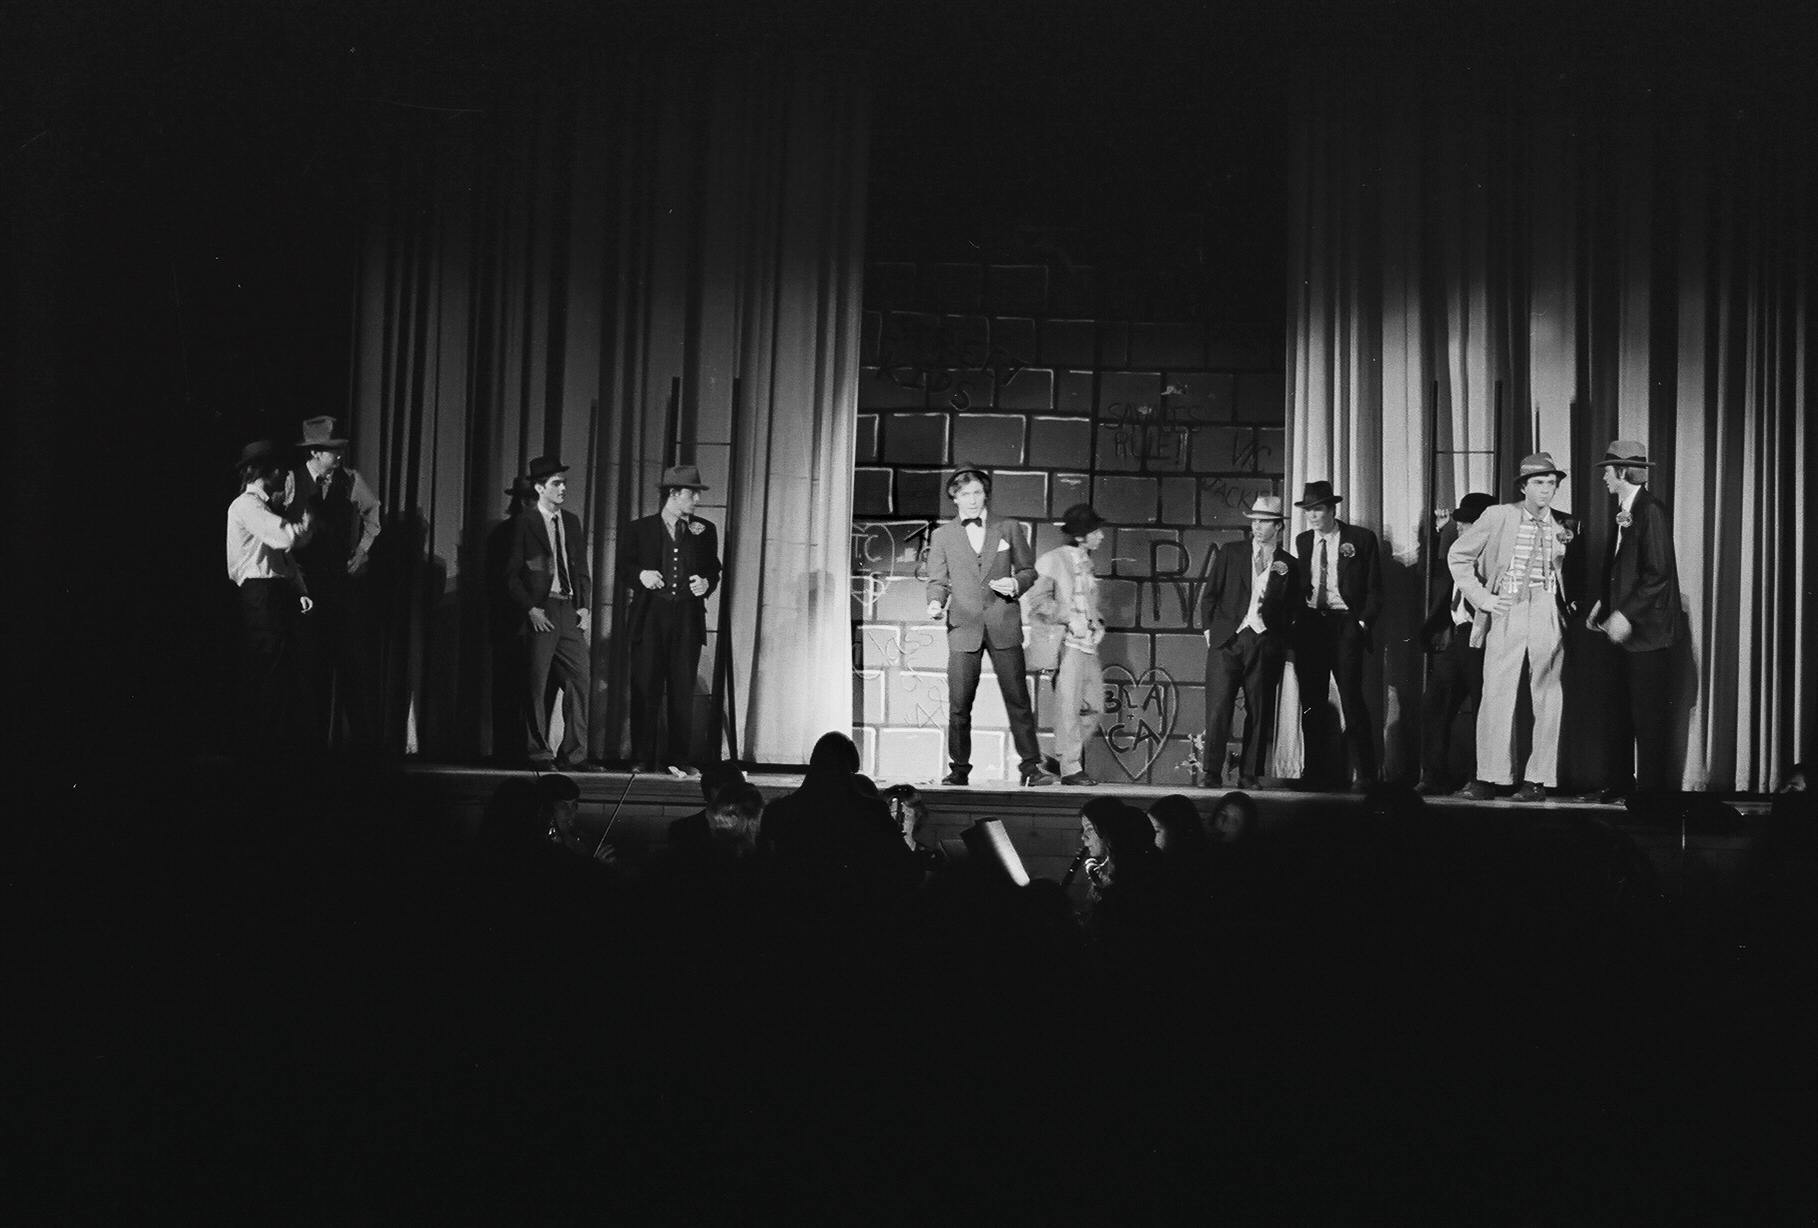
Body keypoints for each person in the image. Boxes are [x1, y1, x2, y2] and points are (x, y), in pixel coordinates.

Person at [1448, 455, 1584, 803]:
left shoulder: (1565, 523)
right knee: (1496, 692)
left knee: (1548, 695)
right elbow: (1458, 556)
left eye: (1551, 483)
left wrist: (1569, 606)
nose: (1546, 489)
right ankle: (1489, 777)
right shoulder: (1498, 515)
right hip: (1507, 605)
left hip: (1546, 607)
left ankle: (1537, 779)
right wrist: (1483, 598)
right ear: (1523, 486)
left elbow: (1575, 572)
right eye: (1538, 482)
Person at [923, 464, 1058, 787]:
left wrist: (1016, 583)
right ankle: (959, 768)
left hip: (1003, 622)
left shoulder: (1008, 528)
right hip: (964, 627)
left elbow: (1028, 570)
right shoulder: (942, 536)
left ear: (986, 495)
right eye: (965, 494)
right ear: (955, 498)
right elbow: (937, 580)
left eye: (977, 493)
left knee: (1018, 700)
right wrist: (935, 603)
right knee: (959, 704)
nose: (972, 500)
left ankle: (1030, 767)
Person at [1586, 440, 1683, 801]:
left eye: (1608, 472)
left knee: (1648, 717)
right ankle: (1620, 783)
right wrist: (1604, 604)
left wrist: (1624, 614)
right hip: (1621, 630)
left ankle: (1652, 794)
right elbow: (1621, 568)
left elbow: (1659, 574)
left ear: (1623, 471)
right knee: (1617, 710)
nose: (1604, 479)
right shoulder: (1625, 510)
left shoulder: (1650, 510)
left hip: (1646, 634)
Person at [616, 464, 722, 778]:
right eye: (692, 493)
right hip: (650, 617)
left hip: (687, 618)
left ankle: (679, 758)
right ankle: (641, 757)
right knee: (644, 688)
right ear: (673, 494)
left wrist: (706, 583)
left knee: (682, 691)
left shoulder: (705, 530)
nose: (697, 500)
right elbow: (623, 568)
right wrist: (641, 575)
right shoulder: (640, 529)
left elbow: (713, 570)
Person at [285, 416, 383, 752]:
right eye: (332, 450)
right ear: (314, 452)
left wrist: (362, 551)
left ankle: (364, 749)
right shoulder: (292, 480)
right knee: (309, 666)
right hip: (305, 585)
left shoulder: (350, 479)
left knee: (353, 663)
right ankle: (308, 746)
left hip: (341, 584)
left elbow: (373, 513)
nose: (339, 455)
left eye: (340, 449)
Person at [1200, 495, 1300, 789]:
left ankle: (1249, 773)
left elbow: (1292, 608)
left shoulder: (1288, 564)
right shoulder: (1231, 552)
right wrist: (1210, 633)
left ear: (1278, 526)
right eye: (1254, 521)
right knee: (1218, 708)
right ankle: (1211, 772)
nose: (1256, 527)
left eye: (1263, 522)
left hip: (1264, 642)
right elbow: (1210, 595)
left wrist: (1277, 640)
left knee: (1259, 709)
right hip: (1227, 641)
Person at [503, 455, 596, 771]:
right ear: (540, 488)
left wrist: (584, 605)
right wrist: (530, 609)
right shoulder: (524, 522)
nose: (563, 488)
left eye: (564, 482)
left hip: (568, 609)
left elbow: (580, 567)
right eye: (556, 483)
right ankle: (537, 753)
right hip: (541, 610)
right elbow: (511, 575)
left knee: (579, 679)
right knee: (536, 684)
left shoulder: (571, 521)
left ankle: (575, 754)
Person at [1291, 480, 1385, 789]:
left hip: (1345, 624)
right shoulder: (1304, 541)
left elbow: (1374, 587)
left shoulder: (1360, 538)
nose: (1312, 516)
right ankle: (1315, 773)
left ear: (1332, 510)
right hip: (1312, 625)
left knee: (1352, 700)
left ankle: (1365, 774)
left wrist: (1362, 624)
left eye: (1318, 509)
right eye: (1308, 511)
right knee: (1312, 702)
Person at [226, 440, 314, 750]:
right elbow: (284, 538)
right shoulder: (247, 505)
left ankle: (268, 740)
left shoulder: (262, 508)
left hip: (272, 591)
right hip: (260, 593)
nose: (286, 475)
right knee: (268, 665)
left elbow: (280, 558)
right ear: (272, 470)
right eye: (283, 469)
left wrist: (298, 589)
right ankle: (259, 743)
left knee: (277, 666)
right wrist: (305, 525)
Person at [1416, 492, 1496, 794]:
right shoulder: (1460, 553)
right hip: (1460, 636)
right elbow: (1439, 576)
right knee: (1435, 703)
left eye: (1467, 523)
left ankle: (1483, 778)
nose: (1460, 527)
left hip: (1485, 636)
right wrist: (1440, 536)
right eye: (1459, 522)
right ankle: (1434, 775)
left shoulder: (1496, 556)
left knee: (1484, 709)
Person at [1029, 503, 1109, 786]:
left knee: (1095, 705)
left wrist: (1097, 623)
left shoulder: (1086, 562)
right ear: (1079, 536)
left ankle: (1061, 757)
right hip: (1065, 644)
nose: (1101, 535)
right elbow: (1039, 602)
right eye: (1095, 531)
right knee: (1068, 706)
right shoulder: (1053, 561)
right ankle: (1071, 767)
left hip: (1087, 644)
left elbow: (1087, 603)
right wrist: (1068, 619)